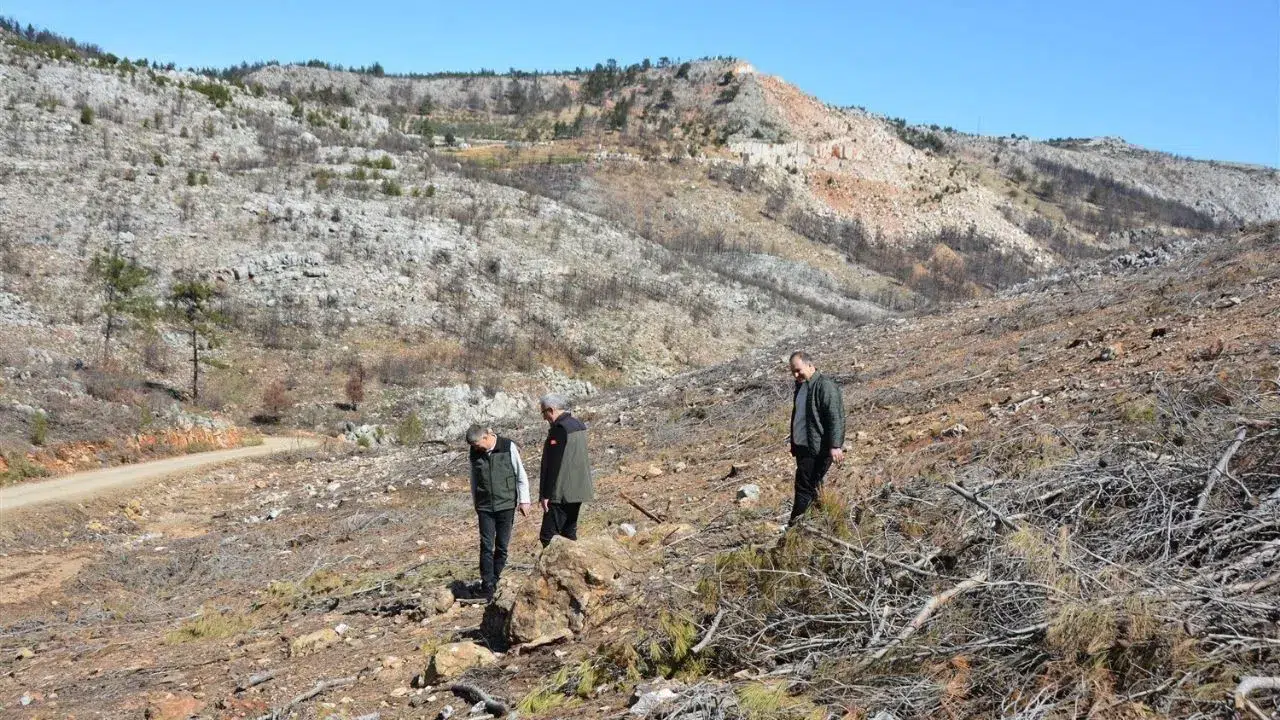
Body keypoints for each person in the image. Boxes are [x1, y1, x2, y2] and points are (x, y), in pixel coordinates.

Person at [466, 424, 531, 600]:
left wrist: (524, 500)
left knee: (501, 546)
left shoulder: (508, 446)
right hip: (485, 507)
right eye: (474, 447)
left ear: (486, 437)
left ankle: (496, 578)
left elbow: (520, 475)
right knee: (486, 546)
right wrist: (476, 503)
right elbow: (474, 479)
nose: (476, 449)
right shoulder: (474, 453)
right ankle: (487, 585)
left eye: (478, 445)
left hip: (506, 505)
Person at [787, 351, 845, 526]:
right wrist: (794, 443)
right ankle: (823, 523)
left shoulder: (824, 386)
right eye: (793, 372)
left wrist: (835, 445)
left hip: (817, 448)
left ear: (810, 365)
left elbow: (835, 416)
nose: (796, 375)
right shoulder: (802, 387)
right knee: (814, 486)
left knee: (803, 487)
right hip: (803, 447)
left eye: (798, 370)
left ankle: (794, 528)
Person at [537, 393, 594, 546]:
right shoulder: (577, 424)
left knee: (547, 536)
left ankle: (553, 568)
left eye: (544, 413)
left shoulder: (560, 429)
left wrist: (546, 494)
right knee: (569, 533)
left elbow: (554, 464)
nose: (544, 418)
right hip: (579, 489)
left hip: (562, 493)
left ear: (551, 409)